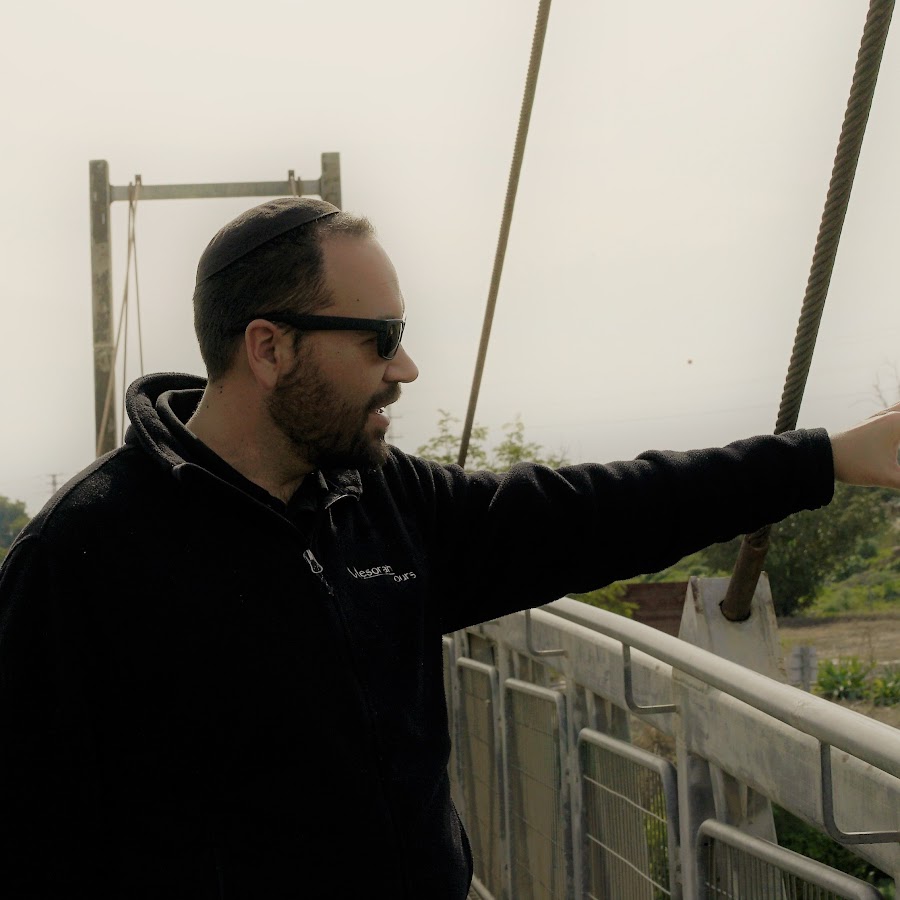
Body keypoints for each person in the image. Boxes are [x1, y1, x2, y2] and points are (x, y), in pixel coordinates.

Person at [0, 196, 898, 900]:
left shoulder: (384, 501)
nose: (406, 369)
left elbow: (602, 511)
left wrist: (827, 459)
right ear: (269, 348)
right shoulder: (82, 555)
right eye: (380, 340)